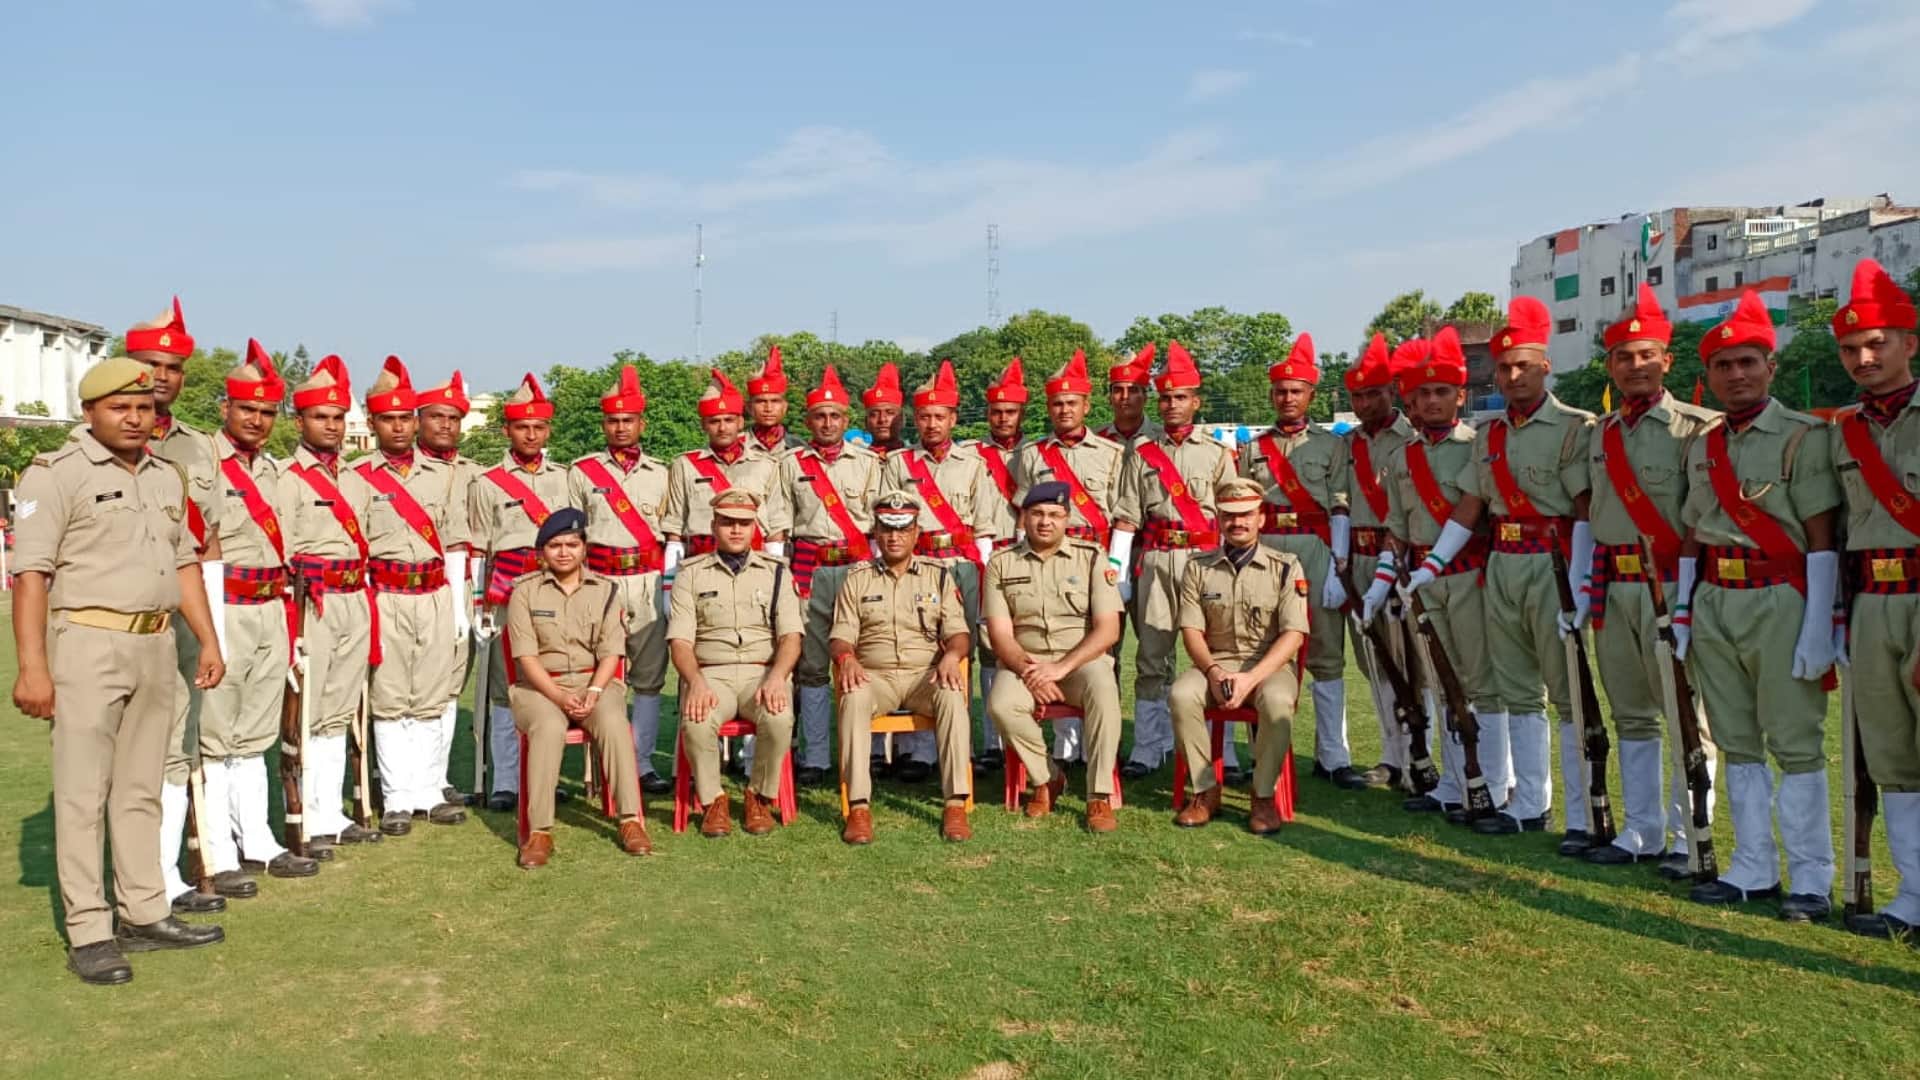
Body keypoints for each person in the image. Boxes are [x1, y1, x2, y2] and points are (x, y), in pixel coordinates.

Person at [10, 355, 227, 985]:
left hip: (157, 643)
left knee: (142, 789)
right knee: (83, 794)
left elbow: (184, 563)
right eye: (119, 407)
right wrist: (33, 669)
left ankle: (144, 910)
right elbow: (31, 577)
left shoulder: (165, 475)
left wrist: (207, 640)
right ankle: (90, 930)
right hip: (87, 643)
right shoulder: (53, 475)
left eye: (144, 408)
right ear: (88, 413)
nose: (135, 418)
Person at [1405, 299, 1595, 841]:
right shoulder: (1489, 435)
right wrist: (1433, 564)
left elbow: (1582, 508)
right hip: (1503, 566)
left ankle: (1581, 813)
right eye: (1505, 367)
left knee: (1568, 694)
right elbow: (1470, 507)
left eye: (1523, 366)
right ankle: (1528, 801)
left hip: (1553, 564)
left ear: (1545, 367)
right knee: (1515, 692)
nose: (1513, 376)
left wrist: (1581, 583)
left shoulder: (1574, 428)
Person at [1677, 289, 1839, 922]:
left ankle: (1811, 877)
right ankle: (1752, 866)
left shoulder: (1805, 437)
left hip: (1782, 597)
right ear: (1709, 375)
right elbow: (1693, 529)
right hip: (1717, 596)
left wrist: (1820, 623)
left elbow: (1822, 535)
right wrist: (1685, 609)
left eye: (1748, 362)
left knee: (1796, 742)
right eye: (1724, 366)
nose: (1736, 375)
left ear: (1771, 368)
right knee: (1737, 741)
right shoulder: (1702, 445)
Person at [1578, 287, 1719, 872]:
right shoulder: (1599, 431)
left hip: (1674, 585)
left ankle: (1693, 834)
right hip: (1616, 587)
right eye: (1623, 356)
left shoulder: (1698, 428)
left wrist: (1685, 602)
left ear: (1667, 359)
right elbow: (1588, 513)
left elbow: (1699, 519)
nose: (1635, 365)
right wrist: (1585, 587)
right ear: (1610, 365)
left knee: (1689, 715)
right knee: (1631, 711)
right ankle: (1643, 830)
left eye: (1646, 354)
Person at [195, 342, 319, 900]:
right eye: (248, 408)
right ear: (225, 408)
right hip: (225, 605)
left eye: (268, 411)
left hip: (272, 606)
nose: (258, 420)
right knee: (218, 732)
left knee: (256, 731)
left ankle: (259, 839)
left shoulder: (276, 471)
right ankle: (218, 848)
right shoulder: (202, 464)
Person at [1367, 331, 1501, 823]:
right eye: (1421, 394)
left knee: (1481, 682)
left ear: (1460, 396)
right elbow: (1398, 530)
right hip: (1422, 583)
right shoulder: (1404, 456)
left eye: (1441, 391)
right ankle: (1454, 780)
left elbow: (1477, 515)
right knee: (1444, 684)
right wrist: (1381, 584)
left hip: (1468, 574)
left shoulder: (1477, 446)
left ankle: (1495, 781)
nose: (1431, 401)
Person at [127, 299, 229, 914]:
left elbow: (207, 540)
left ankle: (165, 875)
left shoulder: (198, 448)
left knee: (176, 746)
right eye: (150, 364)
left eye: (173, 367)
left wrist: (210, 629)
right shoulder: (92, 444)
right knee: (125, 751)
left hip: (183, 618)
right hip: (119, 623)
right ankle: (134, 880)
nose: (162, 377)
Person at [1830, 258, 1920, 939]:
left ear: (1909, 343)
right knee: (1892, 758)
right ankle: (1912, 899)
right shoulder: (1840, 432)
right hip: (1870, 603)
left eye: (1876, 343)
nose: (1863, 357)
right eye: (1851, 348)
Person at [1239, 333, 1365, 789]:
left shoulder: (1332, 446)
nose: (1287, 398)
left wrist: (1338, 564)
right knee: (1256, 646)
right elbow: (1240, 504)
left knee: (1327, 654)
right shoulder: (1253, 449)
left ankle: (1334, 754)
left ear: (1311, 394)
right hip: (1265, 549)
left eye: (1296, 390)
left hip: (1314, 547)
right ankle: (1262, 754)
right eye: (1280, 391)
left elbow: (1340, 506)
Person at [1109, 341, 1233, 779]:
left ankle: (1225, 750)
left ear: (1196, 402)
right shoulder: (1141, 453)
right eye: (1164, 397)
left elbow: (1233, 514)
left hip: (1206, 561)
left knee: (1219, 652)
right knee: (1152, 655)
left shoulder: (1217, 454)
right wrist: (1119, 573)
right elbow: (1126, 517)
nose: (1172, 405)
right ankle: (1149, 745)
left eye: (1180, 397)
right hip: (1159, 560)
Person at [354, 356, 466, 833]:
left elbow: (457, 542)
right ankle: (398, 796)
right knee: (391, 695)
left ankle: (428, 788)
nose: (399, 428)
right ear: (373, 419)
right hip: (386, 593)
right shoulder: (356, 476)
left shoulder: (444, 475)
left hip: (435, 592)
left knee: (431, 694)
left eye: (405, 418)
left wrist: (459, 607)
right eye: (389, 419)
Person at [505, 508, 651, 867]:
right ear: (542, 552)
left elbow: (612, 651)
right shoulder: (524, 593)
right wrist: (558, 697)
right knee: (549, 727)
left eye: (572, 544)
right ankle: (539, 831)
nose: (564, 552)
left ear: (585, 548)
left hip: (594, 683)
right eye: (555, 545)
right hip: (540, 689)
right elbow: (525, 658)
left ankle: (631, 821)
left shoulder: (605, 590)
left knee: (616, 724)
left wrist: (595, 693)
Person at [878, 361, 1000, 781]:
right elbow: (888, 515)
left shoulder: (972, 462)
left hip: (963, 565)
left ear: (953, 418)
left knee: (970, 650)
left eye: (939, 416)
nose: (931, 424)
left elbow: (984, 525)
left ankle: (974, 744)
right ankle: (919, 751)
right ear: (916, 419)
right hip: (916, 564)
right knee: (919, 649)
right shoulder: (899, 463)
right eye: (924, 417)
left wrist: (985, 580)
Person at [278, 357, 382, 850]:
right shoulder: (286, 478)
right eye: (321, 417)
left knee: (340, 706)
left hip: (354, 598)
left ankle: (329, 811)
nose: (332, 426)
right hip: (310, 602)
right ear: (299, 422)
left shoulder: (359, 482)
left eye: (338, 417)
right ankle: (305, 813)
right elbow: (282, 551)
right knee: (308, 707)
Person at [830, 490, 974, 844]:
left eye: (903, 529)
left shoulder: (938, 576)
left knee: (953, 695)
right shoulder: (857, 578)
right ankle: (859, 806)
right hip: (875, 676)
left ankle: (955, 802)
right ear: (876, 533)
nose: (894, 536)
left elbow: (959, 633)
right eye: (887, 529)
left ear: (915, 532)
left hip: (925, 675)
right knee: (853, 695)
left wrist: (952, 657)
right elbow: (840, 636)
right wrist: (846, 658)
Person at [1169, 477, 1311, 833]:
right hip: (1215, 661)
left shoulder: (1285, 567)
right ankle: (1205, 790)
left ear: (1261, 518)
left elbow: (1293, 635)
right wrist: (1215, 672)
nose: (1238, 523)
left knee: (1278, 701)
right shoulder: (1197, 567)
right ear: (1219, 518)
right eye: (1230, 515)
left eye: (1246, 514)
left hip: (1268, 665)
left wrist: (1251, 678)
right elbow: (1191, 632)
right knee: (1181, 694)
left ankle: (1262, 796)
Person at [983, 481, 1126, 832]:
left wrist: (1061, 667)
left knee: (1105, 693)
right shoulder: (1001, 563)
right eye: (1037, 514)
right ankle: (1048, 777)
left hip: (1079, 663)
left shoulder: (1092, 557)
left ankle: (1098, 795)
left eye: (1054, 515)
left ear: (1067, 519)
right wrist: (1030, 671)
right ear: (1023, 518)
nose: (1045, 522)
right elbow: (1000, 634)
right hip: (1024, 663)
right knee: (1000, 705)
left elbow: (1109, 630)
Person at [667, 490, 804, 837]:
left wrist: (777, 678)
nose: (736, 530)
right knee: (697, 719)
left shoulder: (776, 573)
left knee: (778, 717)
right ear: (714, 525)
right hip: (712, 674)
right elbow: (680, 641)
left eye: (744, 523)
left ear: (754, 526)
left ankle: (759, 796)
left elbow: (791, 637)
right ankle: (714, 800)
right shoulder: (691, 573)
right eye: (727, 522)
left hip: (763, 671)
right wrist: (695, 682)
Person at [565, 365, 673, 796]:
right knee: (601, 673)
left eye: (629, 420)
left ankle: (641, 761)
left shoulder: (663, 473)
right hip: (600, 583)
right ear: (603, 424)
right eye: (613, 420)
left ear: (641, 423)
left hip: (646, 580)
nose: (621, 427)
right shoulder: (582, 472)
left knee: (648, 677)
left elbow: (671, 534)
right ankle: (600, 765)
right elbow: (574, 536)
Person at [1014, 350, 1124, 769]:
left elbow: (1121, 514)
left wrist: (1115, 568)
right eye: (1057, 403)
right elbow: (1022, 513)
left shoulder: (1112, 453)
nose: (1064, 410)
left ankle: (1102, 746)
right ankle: (1066, 746)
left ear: (1086, 406)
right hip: (1046, 558)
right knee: (1049, 638)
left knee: (1100, 649)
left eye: (1072, 403)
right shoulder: (1031, 454)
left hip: (1093, 561)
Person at [468, 374, 573, 811]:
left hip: (554, 592)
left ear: (548, 431)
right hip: (507, 594)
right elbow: (477, 548)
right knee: (502, 687)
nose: (531, 434)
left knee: (553, 677)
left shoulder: (566, 479)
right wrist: (476, 606)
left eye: (538, 427)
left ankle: (545, 776)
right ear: (506, 431)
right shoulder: (487, 482)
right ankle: (507, 781)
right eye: (521, 427)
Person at [781, 366, 882, 786]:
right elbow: (779, 527)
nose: (827, 423)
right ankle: (818, 756)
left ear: (847, 418)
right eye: (819, 416)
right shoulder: (790, 465)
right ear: (808, 422)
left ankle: (871, 753)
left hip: (859, 568)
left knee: (871, 657)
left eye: (835, 416)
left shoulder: (870, 463)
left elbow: (883, 523)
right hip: (811, 570)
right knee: (813, 665)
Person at [1342, 333, 1418, 789]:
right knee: (1376, 662)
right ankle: (1392, 755)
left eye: (1374, 392)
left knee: (1416, 663)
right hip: (1359, 559)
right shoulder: (1346, 444)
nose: (1366, 402)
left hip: (1404, 560)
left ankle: (1421, 756)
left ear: (1391, 392)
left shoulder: (1410, 438)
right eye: (1357, 395)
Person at [415, 370, 483, 805]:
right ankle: (401, 780)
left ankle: (435, 778)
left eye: (453, 418)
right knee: (409, 688)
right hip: (409, 588)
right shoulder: (380, 472)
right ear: (419, 418)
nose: (445, 426)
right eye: (436, 417)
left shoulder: (478, 474)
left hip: (464, 589)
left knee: (451, 685)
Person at [973, 357, 1030, 770]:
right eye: (996, 411)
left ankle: (1066, 745)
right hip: (984, 555)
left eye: (1010, 411)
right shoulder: (971, 456)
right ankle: (993, 741)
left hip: (1029, 556)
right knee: (989, 650)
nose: (1003, 418)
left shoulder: (1039, 452)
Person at [746, 345, 807, 455]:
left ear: (785, 407)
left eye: (775, 401)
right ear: (749, 407)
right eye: (761, 401)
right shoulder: (738, 448)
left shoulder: (800, 448)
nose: (768, 408)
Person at [1098, 344, 1163, 445]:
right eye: (1118, 390)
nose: (1125, 396)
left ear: (1145, 398)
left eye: (1132, 390)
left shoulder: (1162, 438)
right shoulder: (1096, 439)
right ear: (1109, 398)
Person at [862, 363, 908, 458]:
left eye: (890, 413)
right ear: (866, 422)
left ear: (902, 419)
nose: (882, 419)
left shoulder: (915, 459)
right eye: (874, 414)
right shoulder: (857, 462)